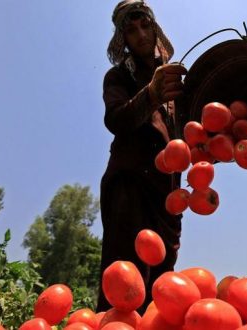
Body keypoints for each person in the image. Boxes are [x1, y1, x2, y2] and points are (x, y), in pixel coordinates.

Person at [96, 0, 188, 314]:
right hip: (131, 185)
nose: (140, 34)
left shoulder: (177, 85)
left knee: (162, 282)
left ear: (154, 28)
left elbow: (188, 139)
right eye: (131, 30)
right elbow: (116, 120)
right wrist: (151, 94)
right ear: (123, 39)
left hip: (167, 196)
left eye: (145, 25)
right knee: (125, 276)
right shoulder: (118, 77)